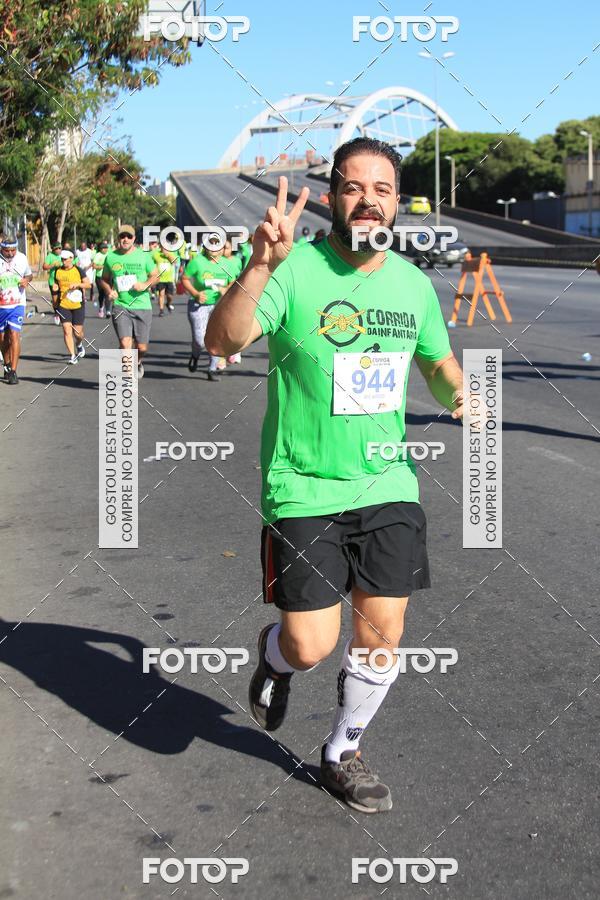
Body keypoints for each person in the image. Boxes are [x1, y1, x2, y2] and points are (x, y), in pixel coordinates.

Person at [205, 138, 465, 814]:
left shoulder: (411, 283)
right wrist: (260, 267)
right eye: (353, 187)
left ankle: (341, 751)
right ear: (331, 197)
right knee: (311, 643)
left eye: (382, 187)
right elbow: (222, 342)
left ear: (398, 200)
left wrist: (458, 390)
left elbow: (436, 362)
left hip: (387, 485)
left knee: (383, 631)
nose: (368, 198)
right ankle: (274, 655)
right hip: (303, 485)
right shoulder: (294, 269)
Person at [98, 225, 159, 380]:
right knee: (125, 344)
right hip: (121, 305)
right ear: (118, 238)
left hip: (142, 306)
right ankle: (128, 378)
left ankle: (137, 361)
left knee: (142, 347)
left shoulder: (143, 256)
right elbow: (103, 279)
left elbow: (155, 276)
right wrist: (109, 290)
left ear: (134, 239)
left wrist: (144, 285)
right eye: (122, 236)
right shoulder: (111, 257)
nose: (125, 239)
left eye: (129, 236)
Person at [181, 237, 236, 380]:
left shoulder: (227, 264)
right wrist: (195, 293)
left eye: (216, 245)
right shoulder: (197, 262)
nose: (213, 248)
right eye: (210, 244)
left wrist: (226, 288)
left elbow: (233, 282)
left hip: (219, 306)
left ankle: (212, 369)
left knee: (216, 337)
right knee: (200, 341)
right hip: (198, 305)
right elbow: (185, 279)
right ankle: (195, 354)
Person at [0, 235, 32, 384]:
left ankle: (13, 371)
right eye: (7, 251)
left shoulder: (22, 258)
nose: (11, 253)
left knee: (14, 334)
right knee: (2, 339)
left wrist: (26, 280)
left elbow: (29, 274)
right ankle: (6, 365)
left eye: (13, 250)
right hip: (1, 305)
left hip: (18, 303)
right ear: (2, 249)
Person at [53, 250, 90, 364]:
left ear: (71, 258)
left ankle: (79, 344)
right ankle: (72, 355)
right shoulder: (58, 271)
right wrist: (55, 304)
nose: (63, 261)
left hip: (78, 304)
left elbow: (88, 284)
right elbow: (55, 287)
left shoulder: (78, 270)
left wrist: (78, 284)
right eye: (62, 259)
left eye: (65, 259)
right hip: (63, 304)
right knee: (66, 330)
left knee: (77, 333)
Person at [150, 239, 177, 316]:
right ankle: (161, 310)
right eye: (163, 246)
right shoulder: (155, 254)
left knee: (169, 296)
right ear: (160, 246)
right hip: (160, 278)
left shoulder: (171, 253)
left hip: (169, 278)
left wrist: (168, 255)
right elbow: (150, 263)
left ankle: (168, 303)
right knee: (161, 295)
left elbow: (175, 262)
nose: (164, 248)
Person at [43, 241, 63, 324]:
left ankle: (63, 314)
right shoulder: (50, 256)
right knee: (55, 300)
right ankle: (56, 314)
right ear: (53, 249)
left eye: (60, 248)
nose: (58, 250)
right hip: (53, 282)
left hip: (63, 281)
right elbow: (44, 267)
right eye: (56, 248)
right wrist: (53, 265)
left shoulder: (63, 255)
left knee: (62, 299)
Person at [93, 242, 110, 318]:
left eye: (106, 248)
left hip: (108, 277)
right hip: (99, 277)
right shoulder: (98, 255)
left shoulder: (109, 254)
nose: (105, 249)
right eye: (104, 248)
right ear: (100, 249)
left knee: (107, 293)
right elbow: (94, 266)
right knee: (101, 294)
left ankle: (108, 311)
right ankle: (101, 308)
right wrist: (102, 267)